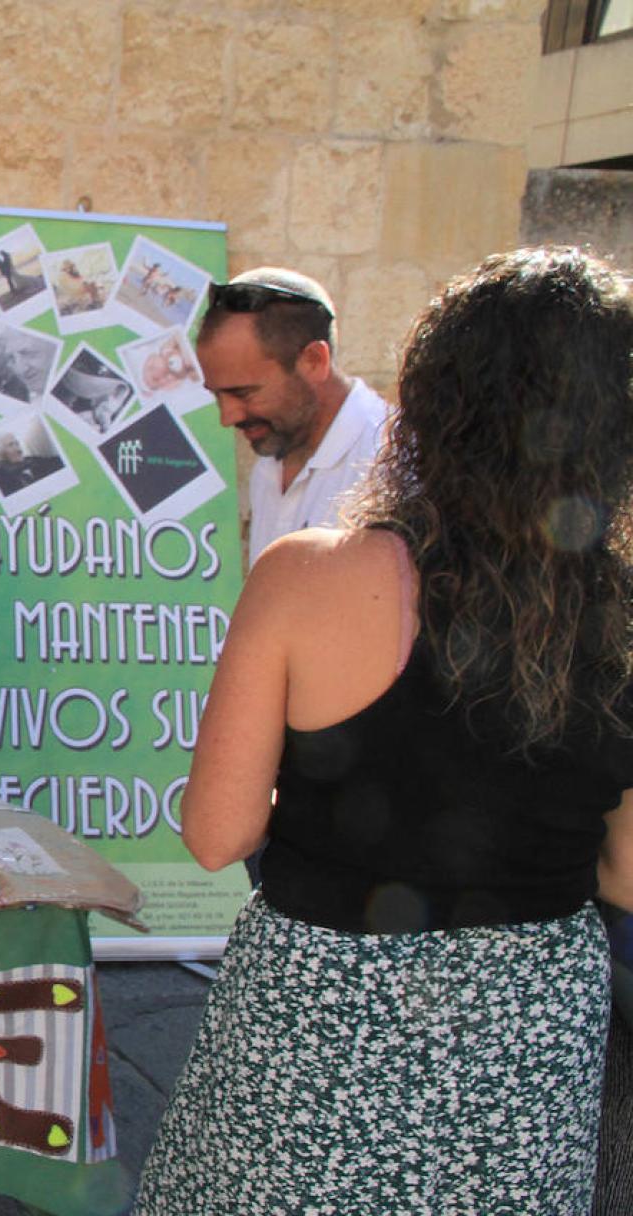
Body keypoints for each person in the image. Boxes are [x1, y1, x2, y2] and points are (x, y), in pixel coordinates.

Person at [134, 247, 633, 1213]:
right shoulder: (618, 612)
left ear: (434, 399)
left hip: (326, 1011)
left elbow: (216, 834)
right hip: (529, 1029)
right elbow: (626, 873)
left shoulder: (305, 575)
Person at [196, 267, 388, 564]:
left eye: (244, 393)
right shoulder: (269, 467)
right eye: (216, 395)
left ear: (313, 361)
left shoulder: (389, 463)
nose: (227, 417)